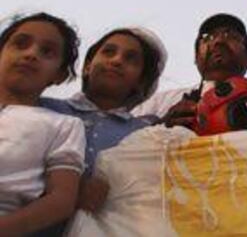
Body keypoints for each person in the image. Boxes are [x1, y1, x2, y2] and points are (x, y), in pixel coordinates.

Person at [42, 27, 166, 213]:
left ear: (141, 82)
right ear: (87, 67)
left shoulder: (148, 133)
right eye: (109, 52)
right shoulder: (44, 108)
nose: (117, 61)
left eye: (131, 59)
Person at [0, 13, 85, 235]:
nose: (31, 54)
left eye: (47, 52)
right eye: (20, 44)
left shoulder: (64, 125)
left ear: (59, 74)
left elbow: (60, 200)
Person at [133, 14, 247, 130]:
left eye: (231, 35)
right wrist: (161, 127)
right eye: (207, 38)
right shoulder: (159, 104)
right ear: (196, 57)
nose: (218, 41)